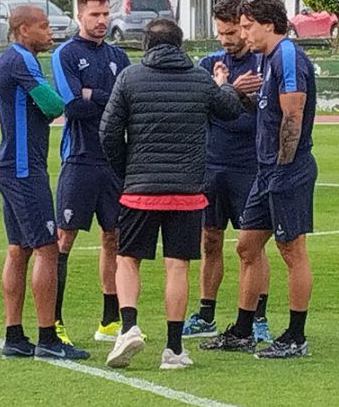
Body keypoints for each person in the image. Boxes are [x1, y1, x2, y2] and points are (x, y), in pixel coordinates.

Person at [99, 19, 245, 370]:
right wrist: (224, 85)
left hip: (140, 190)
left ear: (146, 44)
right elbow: (229, 110)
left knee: (127, 259)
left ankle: (129, 326)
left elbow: (108, 132)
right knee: (176, 266)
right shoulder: (198, 77)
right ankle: (174, 349)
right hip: (187, 191)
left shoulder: (130, 77)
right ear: (179, 44)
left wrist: (127, 171)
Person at [200, 0, 317, 359]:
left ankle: (295, 336)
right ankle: (243, 329)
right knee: (247, 246)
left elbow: (292, 116)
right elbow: (267, 111)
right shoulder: (269, 60)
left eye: (248, 26)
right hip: (266, 171)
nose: (244, 33)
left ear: (268, 24)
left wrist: (281, 168)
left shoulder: (286, 56)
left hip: (285, 170)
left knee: (291, 250)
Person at [0, 5, 90, 361]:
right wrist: (77, 98)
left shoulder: (13, 58)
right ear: (23, 31)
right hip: (22, 168)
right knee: (47, 248)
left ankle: (14, 335)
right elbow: (53, 104)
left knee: (19, 249)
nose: (50, 32)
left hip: (13, 164)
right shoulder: (22, 60)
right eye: (44, 27)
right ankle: (47, 337)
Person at [184, 0, 272, 344]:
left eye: (231, 32)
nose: (225, 39)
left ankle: (258, 316)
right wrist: (231, 91)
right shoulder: (208, 64)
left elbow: (253, 117)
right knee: (210, 240)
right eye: (220, 32)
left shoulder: (263, 63)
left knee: (252, 246)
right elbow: (203, 108)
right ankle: (206, 312)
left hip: (249, 166)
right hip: (210, 165)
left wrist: (228, 100)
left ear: (245, 26)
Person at [50, 0, 130, 344]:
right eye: (94, 15)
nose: (101, 21)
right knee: (62, 239)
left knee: (112, 237)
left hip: (114, 160)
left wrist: (91, 94)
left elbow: (126, 106)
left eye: (105, 14)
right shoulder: (65, 53)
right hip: (80, 158)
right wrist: (104, 99)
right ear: (79, 15)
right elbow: (72, 106)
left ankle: (109, 321)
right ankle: (53, 320)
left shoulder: (119, 56)